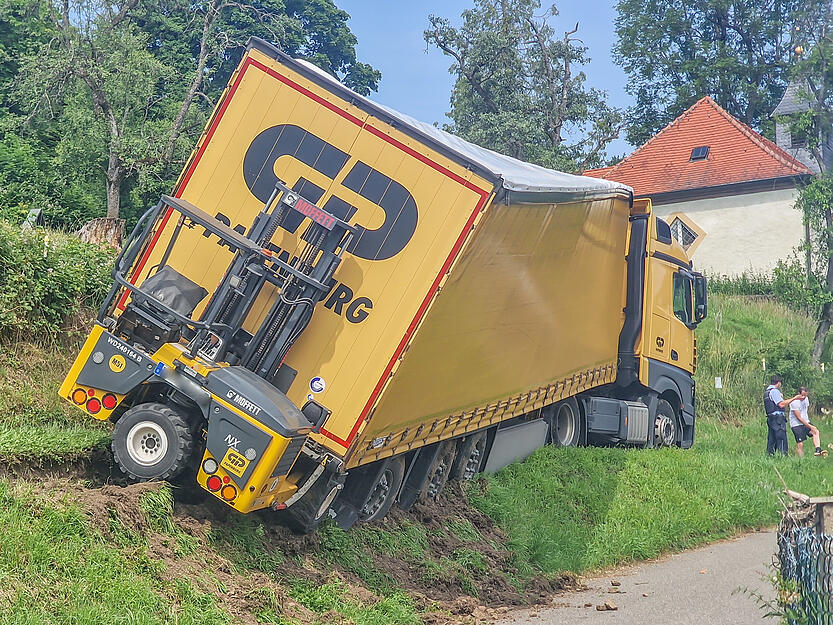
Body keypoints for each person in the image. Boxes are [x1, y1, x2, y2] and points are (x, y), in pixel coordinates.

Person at [764, 375, 802, 456]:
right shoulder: (774, 391)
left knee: (772, 439)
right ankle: (783, 456)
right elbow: (781, 404)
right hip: (778, 419)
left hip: (771, 418)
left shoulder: (767, 392)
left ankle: (770, 456)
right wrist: (794, 398)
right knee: (781, 438)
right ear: (778, 383)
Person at [789, 387, 827, 457]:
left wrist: (809, 425)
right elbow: (799, 418)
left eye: (805, 395)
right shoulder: (794, 403)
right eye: (802, 395)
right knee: (800, 443)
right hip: (796, 424)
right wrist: (810, 426)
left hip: (806, 421)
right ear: (798, 393)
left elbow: (804, 412)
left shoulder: (806, 399)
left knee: (815, 431)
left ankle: (818, 450)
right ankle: (801, 459)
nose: (804, 397)